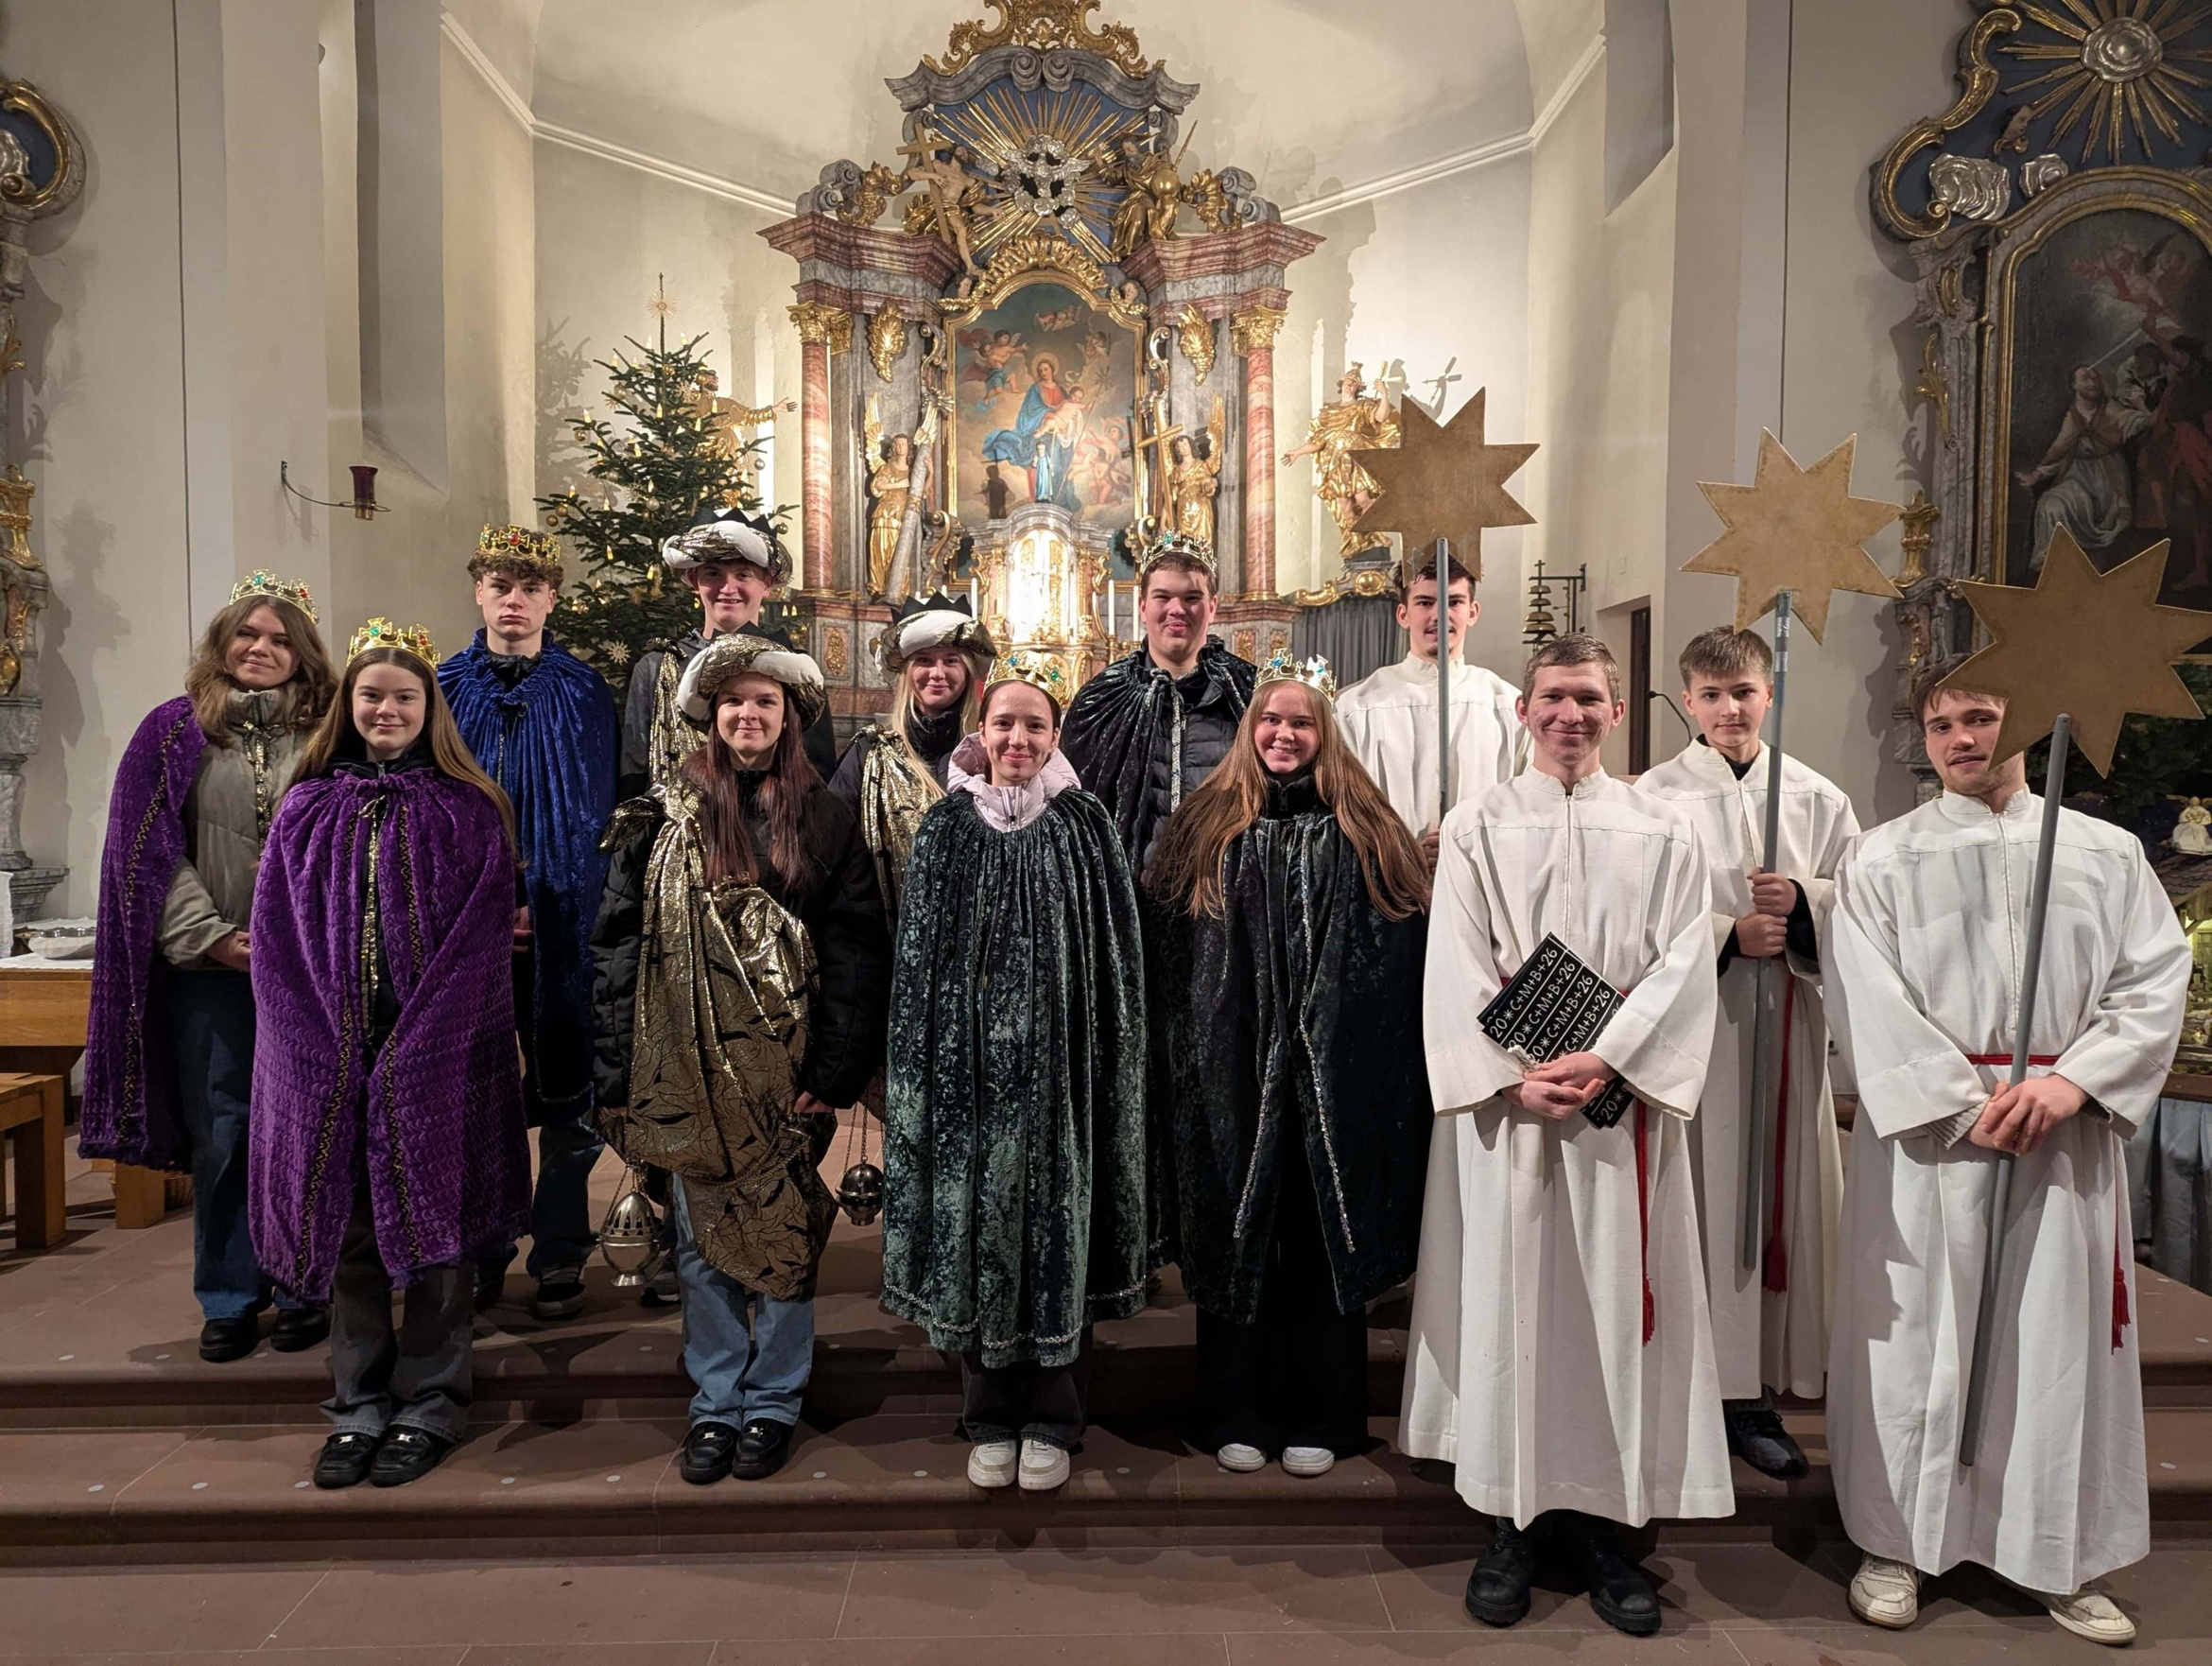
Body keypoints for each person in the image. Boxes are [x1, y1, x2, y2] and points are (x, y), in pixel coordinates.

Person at [1823, 665, 2189, 1646]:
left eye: (1981, 717)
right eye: (1940, 723)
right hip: (1933, 1141)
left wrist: (2073, 1083)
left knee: (2053, 1344)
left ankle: (2057, 1551)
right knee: (1915, 1345)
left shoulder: (2105, 854)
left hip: (2061, 1133)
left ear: (2022, 724)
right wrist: (1956, 1101)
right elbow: (1864, 993)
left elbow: (2153, 981)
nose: (1960, 738)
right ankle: (1896, 1543)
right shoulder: (1883, 857)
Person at [1400, 633, 1728, 1638]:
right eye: (1553, 697)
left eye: (1589, 698)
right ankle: (1511, 1520)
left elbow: (1686, 961)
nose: (1569, 715)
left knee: (1612, 1313)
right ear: (1523, 709)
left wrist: (1612, 1056)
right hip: (1515, 1113)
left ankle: (1604, 1530)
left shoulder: (1667, 826)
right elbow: (1454, 962)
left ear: (1617, 711)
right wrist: (1512, 1075)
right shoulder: (1477, 823)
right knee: (1512, 1305)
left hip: (1618, 1109)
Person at [593, 634, 890, 1486]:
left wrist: (832, 1073)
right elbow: (617, 944)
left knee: (784, 1231)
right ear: (711, 717)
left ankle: (774, 1401)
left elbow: (857, 951)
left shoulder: (824, 819)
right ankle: (716, 1401)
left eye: (765, 702)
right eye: (733, 703)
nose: (748, 715)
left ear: (789, 718)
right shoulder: (664, 815)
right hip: (682, 1064)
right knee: (697, 1239)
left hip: (783, 1076)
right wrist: (617, 1066)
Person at [250, 620, 530, 1490]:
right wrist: (310, 1037)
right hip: (329, 1051)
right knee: (352, 1231)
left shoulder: (468, 809)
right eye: (372, 695)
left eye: (405, 697)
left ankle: (433, 1400)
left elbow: (483, 939)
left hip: (437, 1050)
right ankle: (358, 1403)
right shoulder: (305, 809)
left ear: (429, 709)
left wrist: (422, 1039)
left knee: (438, 1224)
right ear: (348, 703)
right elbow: (275, 938)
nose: (387, 710)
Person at [1146, 652, 1431, 1480]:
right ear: (1249, 729)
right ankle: (1235, 1410)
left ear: (1324, 733)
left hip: (1332, 1078)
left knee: (1316, 1240)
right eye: (1270, 719)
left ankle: (1324, 1414)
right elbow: (1169, 956)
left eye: (1301, 721)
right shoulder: (1202, 826)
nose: (1283, 733)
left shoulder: (1368, 827)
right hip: (1227, 1072)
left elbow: (1399, 956)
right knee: (1237, 1237)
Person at [880, 651, 1149, 1494]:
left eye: (1035, 724)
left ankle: (1055, 1418)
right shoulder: (946, 829)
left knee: (1058, 1229)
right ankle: (989, 1413)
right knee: (977, 1232)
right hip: (966, 1083)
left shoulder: (1085, 827)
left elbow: (1115, 963)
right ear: (981, 731)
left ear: (1055, 734)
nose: (1018, 738)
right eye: (1004, 723)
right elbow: (917, 967)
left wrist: (1104, 1062)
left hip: (1061, 1078)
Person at [81, 573, 338, 1363]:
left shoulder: (330, 730)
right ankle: (229, 1294)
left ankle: (305, 1285)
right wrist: (215, 936)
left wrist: (305, 933)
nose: (262, 649)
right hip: (211, 972)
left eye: (281, 639)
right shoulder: (173, 731)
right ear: (222, 642)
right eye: (248, 634)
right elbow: (147, 853)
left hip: (311, 972)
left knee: (307, 1131)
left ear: (304, 653)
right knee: (224, 1135)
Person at [1637, 627, 1858, 1479]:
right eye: (1712, 695)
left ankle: (1753, 1391)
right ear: (1688, 702)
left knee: (1772, 1197)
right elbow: (1634, 920)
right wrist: (1728, 933)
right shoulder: (1653, 799)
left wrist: (1805, 904)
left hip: (1784, 1025)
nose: (1729, 709)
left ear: (1769, 695)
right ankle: (1687, 1376)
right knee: (1696, 1194)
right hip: (1694, 1030)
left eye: (1744, 693)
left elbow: (1863, 902)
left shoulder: (1815, 797)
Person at [437, 525, 618, 1323]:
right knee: (476, 1094)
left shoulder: (584, 690)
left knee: (570, 1093)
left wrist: (552, 897)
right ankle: (481, 1248)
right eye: (501, 585)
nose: (514, 600)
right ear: (478, 592)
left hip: (562, 922)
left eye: (531, 588)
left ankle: (560, 1250)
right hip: (463, 927)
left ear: (552, 599)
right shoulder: (441, 686)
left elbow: (598, 809)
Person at [1060, 532, 1256, 873]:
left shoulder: (1250, 692)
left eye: (1192, 598)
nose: (1176, 609)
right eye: (1162, 597)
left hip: (1224, 887)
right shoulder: (1101, 698)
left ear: (1212, 606)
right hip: (1133, 892)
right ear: (1143, 606)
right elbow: (1074, 813)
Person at [621, 505, 836, 799]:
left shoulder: (795, 669)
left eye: (743, 575)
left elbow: (820, 777)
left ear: (768, 583)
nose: (727, 588)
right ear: (694, 580)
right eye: (713, 574)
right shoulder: (656, 668)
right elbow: (633, 777)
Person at [1336, 552, 1525, 864]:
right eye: (1424, 603)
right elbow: (1342, 808)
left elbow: (1528, 804)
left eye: (1454, 602)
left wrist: (1466, 847)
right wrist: (1403, 854)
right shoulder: (1356, 707)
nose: (1439, 615)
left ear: (1473, 612)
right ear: (1403, 614)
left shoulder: (1507, 706)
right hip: (1387, 879)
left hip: (1485, 876)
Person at [828, 592, 995, 911]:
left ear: (968, 670)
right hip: (883, 928)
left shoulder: (992, 753)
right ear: (906, 672)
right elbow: (837, 849)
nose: (937, 673)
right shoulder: (869, 753)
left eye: (951, 660)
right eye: (924, 660)